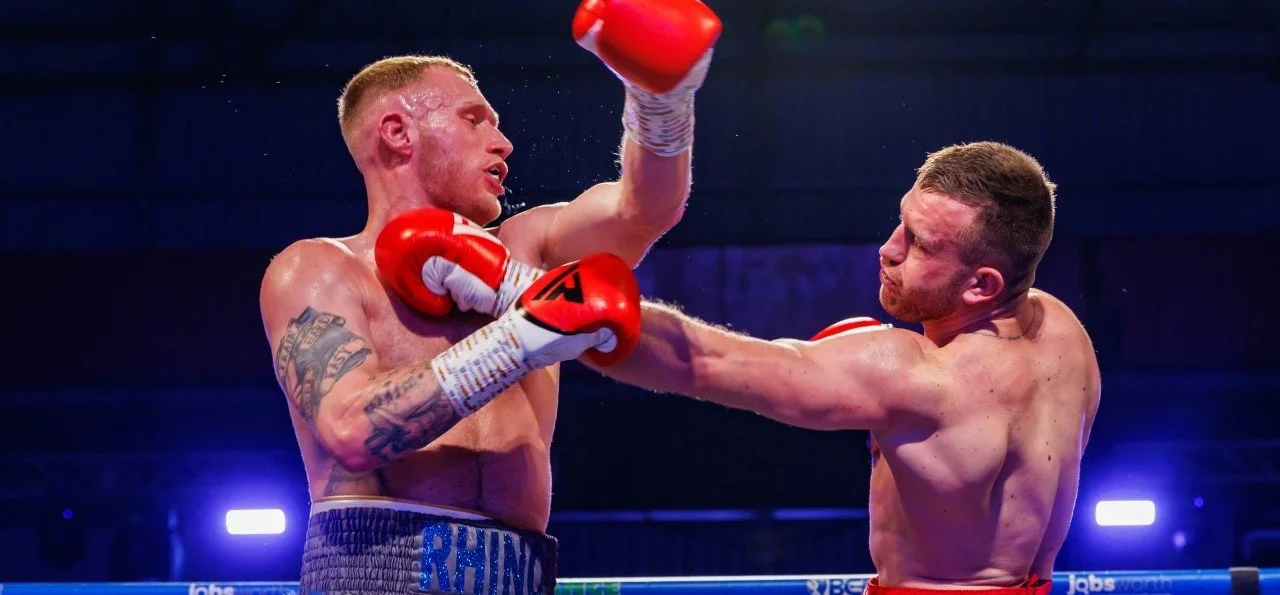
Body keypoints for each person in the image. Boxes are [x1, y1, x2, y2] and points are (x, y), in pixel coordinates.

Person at [257, 0, 721, 592]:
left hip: (520, 572)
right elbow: (353, 430)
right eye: (474, 119)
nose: (504, 143)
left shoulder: (528, 252)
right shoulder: (319, 268)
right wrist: (530, 330)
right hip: (374, 570)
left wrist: (662, 101)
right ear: (397, 133)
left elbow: (644, 209)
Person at [586, 141, 1101, 593]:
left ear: (981, 285)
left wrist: (577, 306)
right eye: (902, 223)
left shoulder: (918, 377)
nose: (889, 249)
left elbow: (703, 361)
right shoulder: (1064, 334)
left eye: (920, 244)